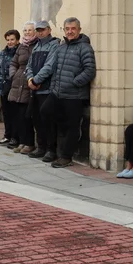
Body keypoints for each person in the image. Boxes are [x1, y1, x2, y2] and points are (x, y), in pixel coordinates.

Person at [31, 17, 96, 168]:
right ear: (64, 30)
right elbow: (54, 70)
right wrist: (55, 87)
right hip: (57, 93)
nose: (70, 31)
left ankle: (66, 157)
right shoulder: (61, 47)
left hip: (75, 96)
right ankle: (55, 148)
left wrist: (74, 83)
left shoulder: (85, 48)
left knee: (73, 126)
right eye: (67, 29)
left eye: (73, 29)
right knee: (45, 111)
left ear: (79, 30)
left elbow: (90, 70)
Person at [24, 21, 59, 159]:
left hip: (47, 90)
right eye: (38, 30)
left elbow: (50, 66)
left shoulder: (54, 45)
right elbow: (29, 66)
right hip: (35, 91)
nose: (40, 32)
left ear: (49, 30)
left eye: (42, 30)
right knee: (37, 120)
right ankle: (41, 147)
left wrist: (35, 81)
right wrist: (30, 79)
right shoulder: (37, 46)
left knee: (48, 122)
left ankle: (51, 150)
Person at [7, 23, 36, 153]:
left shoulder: (37, 45)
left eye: (30, 30)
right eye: (25, 30)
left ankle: (29, 143)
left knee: (27, 116)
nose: (27, 32)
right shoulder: (21, 47)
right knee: (18, 116)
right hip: (17, 83)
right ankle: (22, 142)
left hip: (29, 83)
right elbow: (14, 63)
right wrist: (13, 75)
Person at [0, 30, 20, 147]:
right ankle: (7, 135)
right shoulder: (2, 53)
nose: (10, 42)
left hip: (14, 87)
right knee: (6, 113)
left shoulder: (20, 52)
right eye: (8, 40)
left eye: (12, 39)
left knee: (15, 113)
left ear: (17, 40)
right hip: (2, 86)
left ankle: (15, 137)